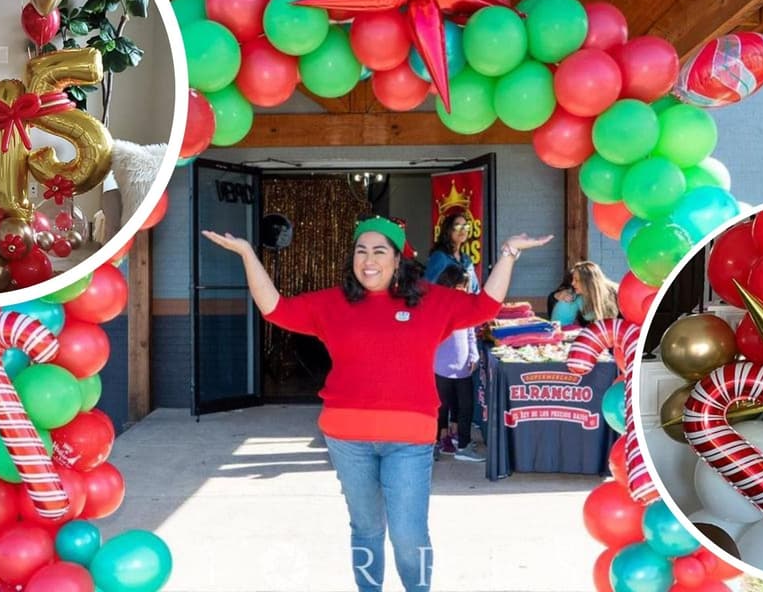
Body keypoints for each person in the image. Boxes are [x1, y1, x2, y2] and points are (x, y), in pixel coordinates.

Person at [202, 216, 552, 592]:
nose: (368, 259)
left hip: (409, 441)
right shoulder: (333, 303)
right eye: (361, 250)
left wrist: (509, 254)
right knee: (366, 529)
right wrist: (247, 254)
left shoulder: (430, 300)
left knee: (408, 534)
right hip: (347, 441)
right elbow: (276, 309)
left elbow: (485, 306)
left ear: (398, 258)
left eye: (379, 250)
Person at [431, 264, 483, 462]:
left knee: (466, 406)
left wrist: (474, 355)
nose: (462, 290)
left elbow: (470, 333)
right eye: (459, 286)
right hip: (440, 365)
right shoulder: (436, 306)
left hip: (464, 367)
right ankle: (435, 443)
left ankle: (463, 445)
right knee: (440, 407)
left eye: (465, 287)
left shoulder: (466, 306)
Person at [549, 262, 620, 327]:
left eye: (576, 280)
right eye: (573, 279)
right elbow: (552, 298)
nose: (572, 283)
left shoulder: (615, 295)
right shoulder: (576, 295)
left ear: (588, 282)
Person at [424, 212, 479, 292]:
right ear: (448, 230)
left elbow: (475, 290)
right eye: (458, 226)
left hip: (465, 303)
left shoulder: (467, 260)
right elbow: (427, 287)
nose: (463, 229)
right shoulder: (440, 256)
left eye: (465, 226)